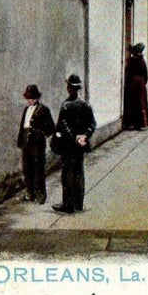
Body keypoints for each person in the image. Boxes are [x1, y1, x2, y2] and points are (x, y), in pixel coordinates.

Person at [52, 74, 96, 213]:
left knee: (67, 175)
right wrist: (84, 136)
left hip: (68, 146)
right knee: (79, 173)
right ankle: (79, 203)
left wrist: (74, 138)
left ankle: (68, 204)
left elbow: (62, 126)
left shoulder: (66, 106)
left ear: (69, 88)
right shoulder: (85, 105)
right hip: (80, 147)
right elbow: (92, 124)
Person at [16, 84, 54, 204]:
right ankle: (30, 192)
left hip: (37, 145)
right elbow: (23, 127)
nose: (30, 100)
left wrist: (40, 134)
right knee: (27, 168)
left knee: (39, 169)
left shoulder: (43, 109)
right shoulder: (26, 110)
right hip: (26, 143)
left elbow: (51, 127)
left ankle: (40, 194)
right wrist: (21, 141)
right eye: (28, 98)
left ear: (37, 97)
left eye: (32, 97)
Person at [122, 43, 148, 130]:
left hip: (134, 84)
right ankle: (138, 124)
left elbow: (129, 72)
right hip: (138, 84)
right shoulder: (140, 61)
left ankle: (134, 124)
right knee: (138, 103)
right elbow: (145, 75)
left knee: (134, 103)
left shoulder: (132, 61)